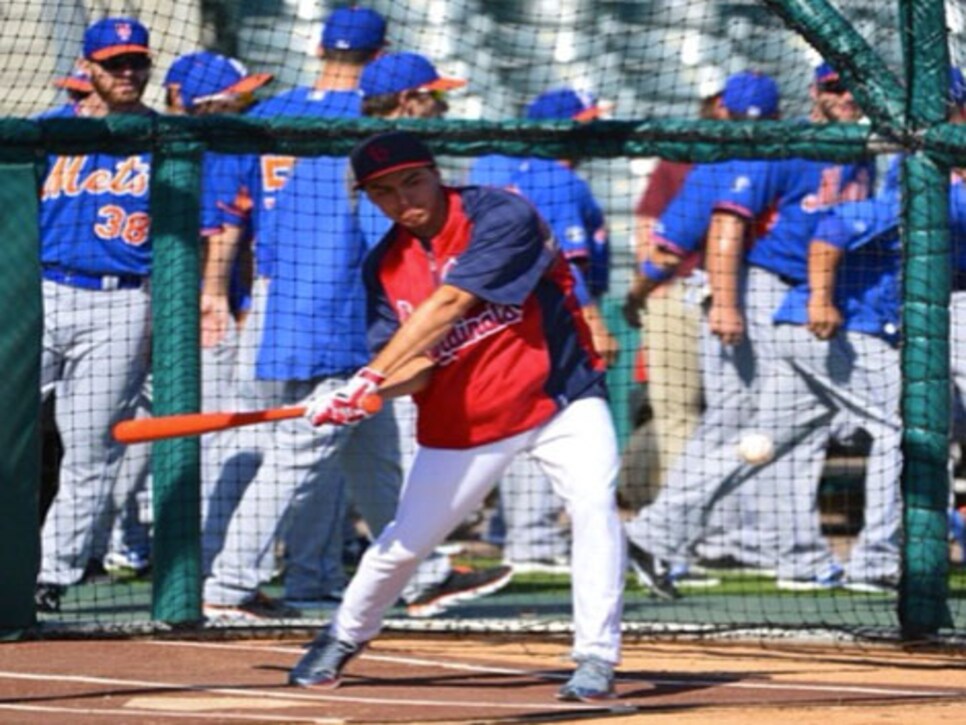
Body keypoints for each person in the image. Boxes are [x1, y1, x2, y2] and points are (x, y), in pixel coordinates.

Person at [287, 131, 625, 703]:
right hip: (465, 422)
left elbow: (451, 304)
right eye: (383, 191)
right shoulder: (384, 268)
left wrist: (368, 376)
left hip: (560, 396)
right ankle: (342, 636)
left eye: (413, 180)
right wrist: (355, 395)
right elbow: (416, 367)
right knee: (405, 542)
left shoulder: (501, 214)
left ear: (436, 172)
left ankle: (595, 656)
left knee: (594, 505)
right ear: (369, 199)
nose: (403, 198)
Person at [624, 63, 875, 597]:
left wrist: (642, 295)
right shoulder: (757, 151)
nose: (846, 95)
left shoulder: (857, 150)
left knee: (763, 429)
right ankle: (731, 541)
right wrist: (715, 301)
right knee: (738, 426)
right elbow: (706, 232)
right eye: (835, 86)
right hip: (755, 291)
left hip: (795, 296)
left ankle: (694, 538)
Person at [467, 87, 616, 573]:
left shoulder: (487, 165)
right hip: (545, 313)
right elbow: (568, 264)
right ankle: (530, 539)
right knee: (547, 416)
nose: (588, 134)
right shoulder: (556, 178)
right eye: (582, 124)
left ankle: (506, 528)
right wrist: (593, 322)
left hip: (480, 313)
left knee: (511, 416)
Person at [34, 17, 155, 613]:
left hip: (123, 301)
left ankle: (51, 574)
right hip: (43, 292)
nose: (128, 72)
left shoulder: (165, 137)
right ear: (90, 69)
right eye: (115, 63)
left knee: (92, 451)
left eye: (136, 61)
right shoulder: (45, 132)